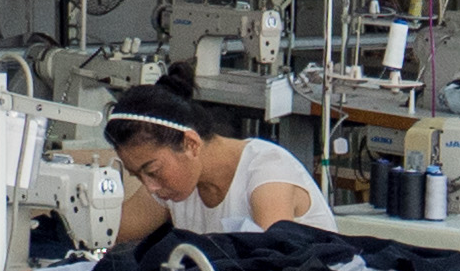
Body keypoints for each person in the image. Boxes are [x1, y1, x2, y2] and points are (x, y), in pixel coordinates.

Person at [99, 83, 322, 243]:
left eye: (153, 171)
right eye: (137, 176)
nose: (150, 187)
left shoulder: (268, 172)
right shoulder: (172, 186)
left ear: (191, 144)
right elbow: (107, 232)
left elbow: (271, 267)